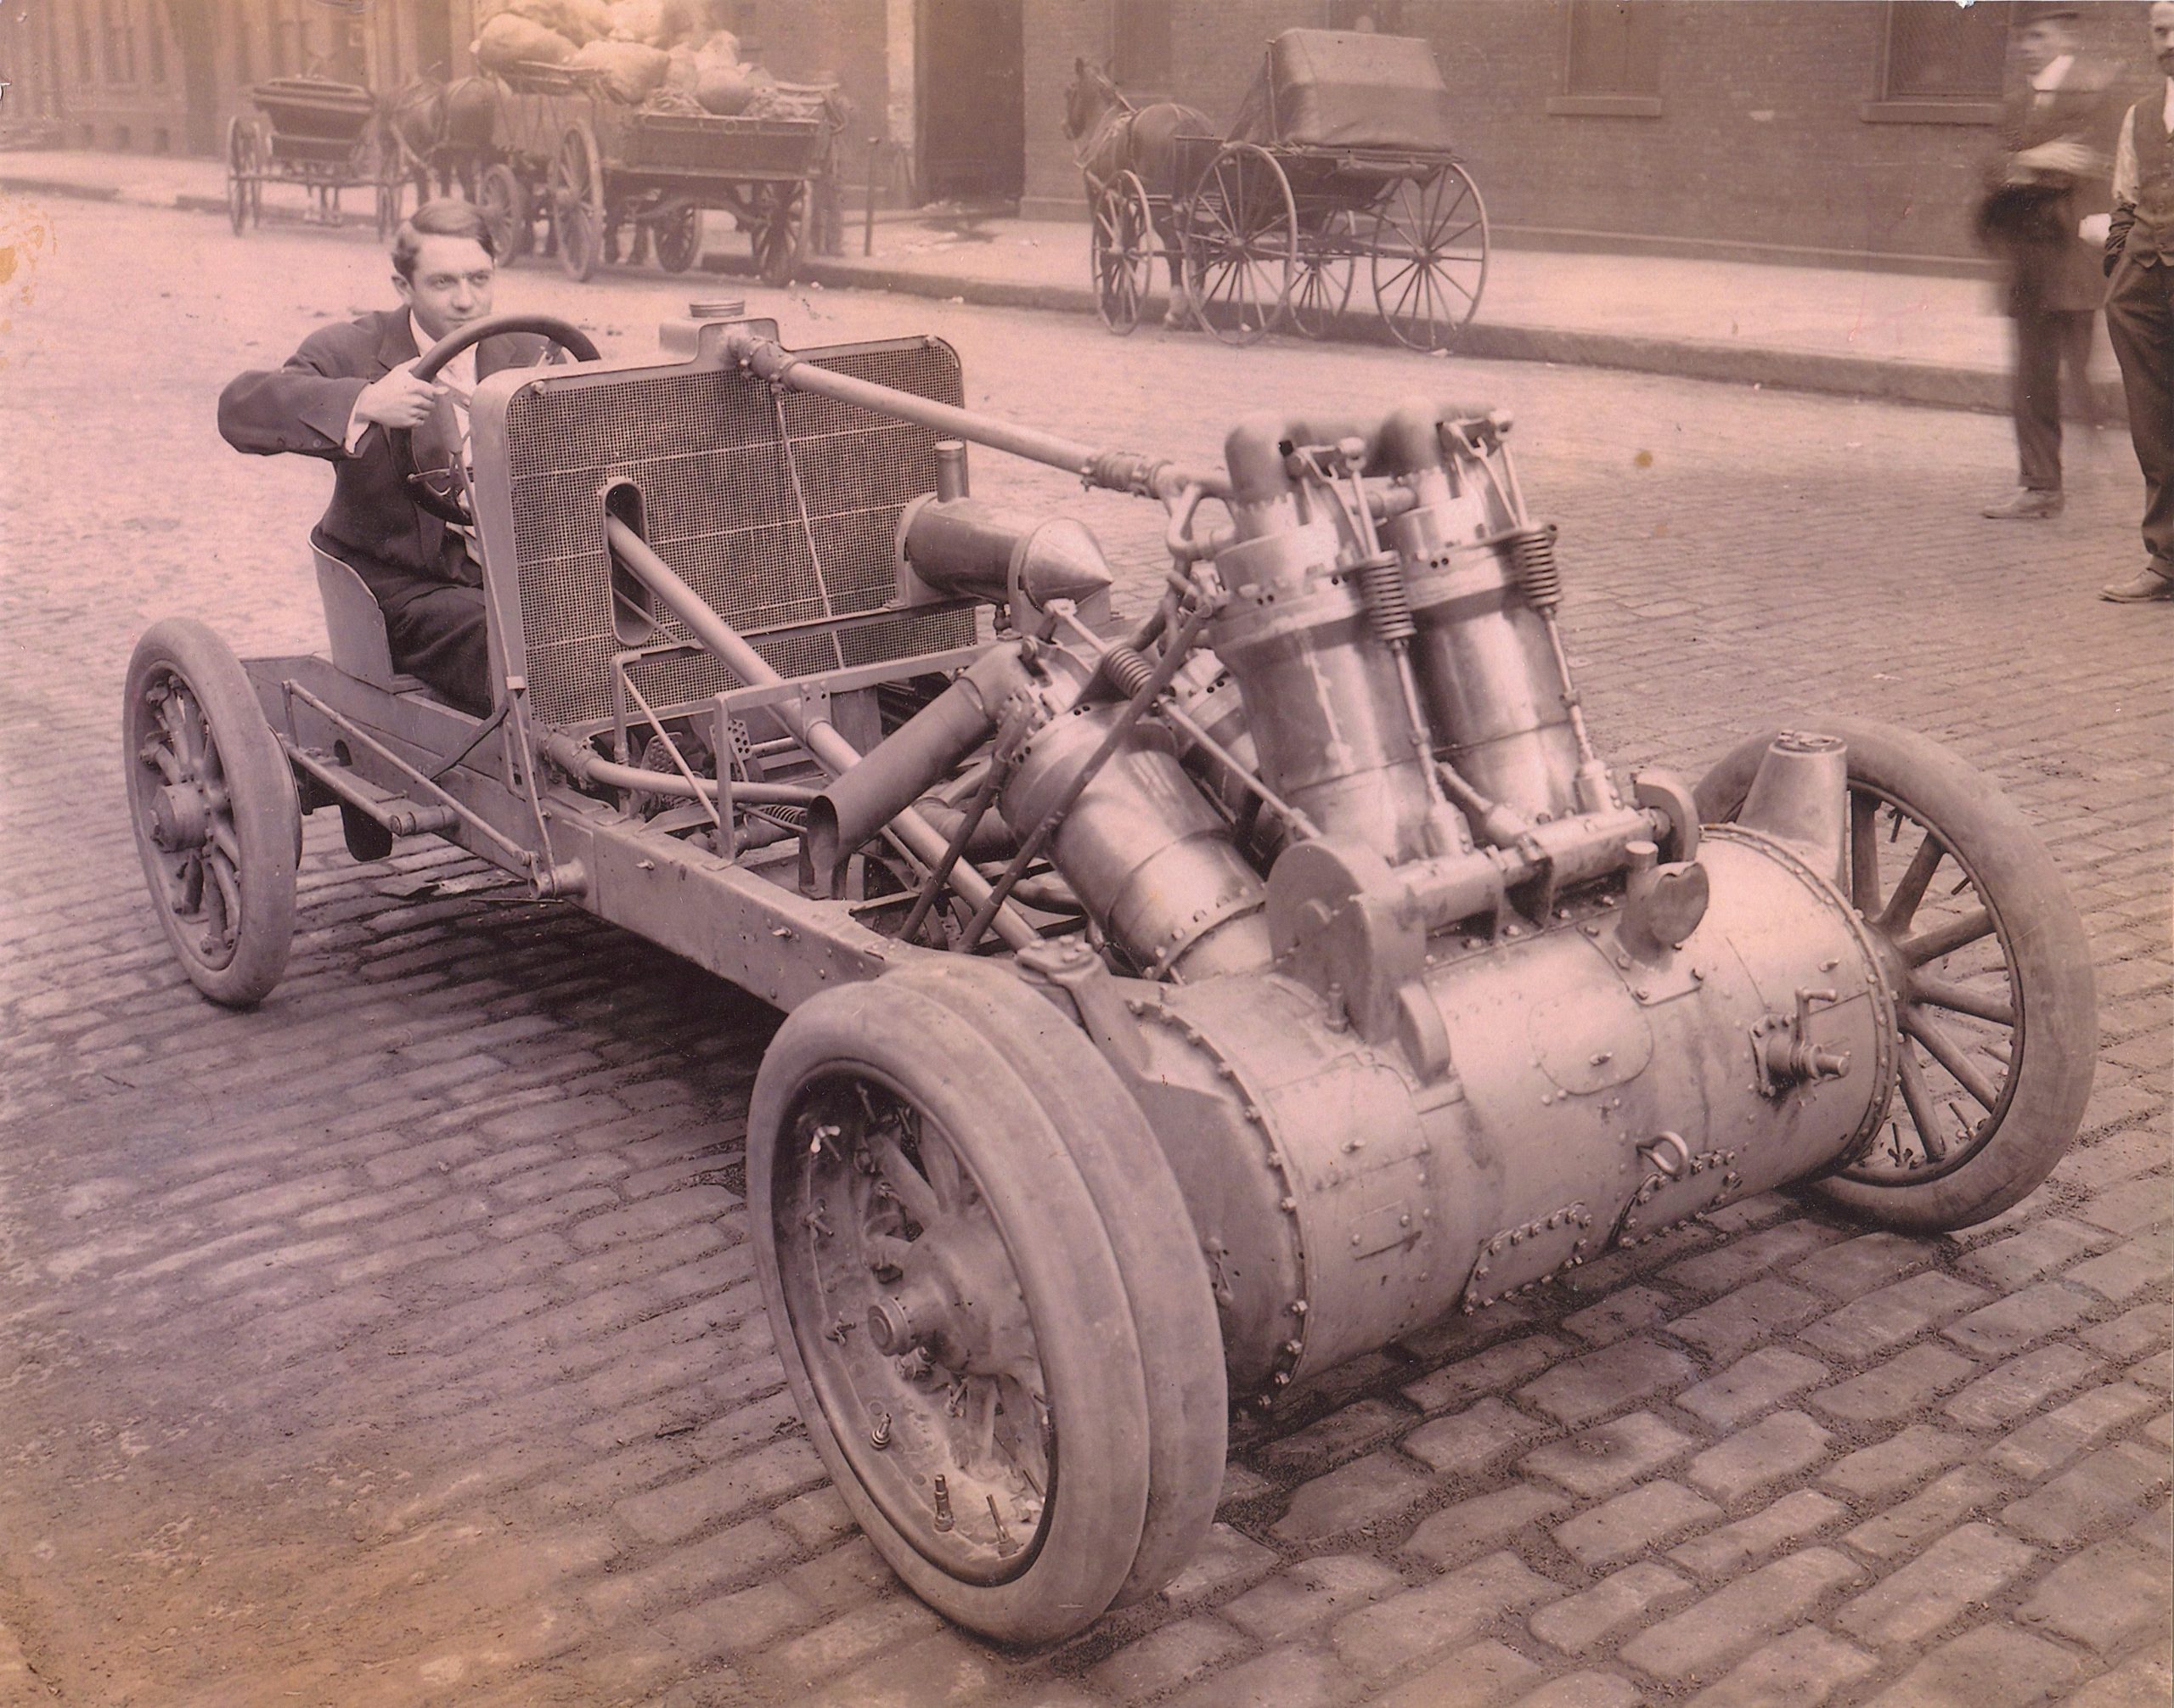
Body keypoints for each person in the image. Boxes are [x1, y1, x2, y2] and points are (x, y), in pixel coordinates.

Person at [217, 200, 551, 714]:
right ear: (404, 287)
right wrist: (365, 400)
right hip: (405, 589)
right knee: (514, 642)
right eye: (443, 283)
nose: (467, 301)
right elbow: (240, 409)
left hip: (518, 570)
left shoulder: (528, 349)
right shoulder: (352, 349)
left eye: (479, 279)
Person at [1976, 5, 2122, 521]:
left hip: (2075, 255)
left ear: (2065, 35)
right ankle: (2041, 488)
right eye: (2022, 38)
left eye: (2037, 36)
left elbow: (2086, 165)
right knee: (2033, 376)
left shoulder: (2095, 93)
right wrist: (2037, 160)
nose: (2026, 47)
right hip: (2029, 260)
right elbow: (1991, 167)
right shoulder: (2019, 100)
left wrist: (2029, 166)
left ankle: (2133, 481)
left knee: (2088, 380)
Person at [2098, 1, 2174, 601]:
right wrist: (2119, 268)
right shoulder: (2140, 115)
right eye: (2159, 29)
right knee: (2153, 426)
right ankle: (2166, 560)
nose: (2168, 40)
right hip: (2143, 288)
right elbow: (2124, 198)